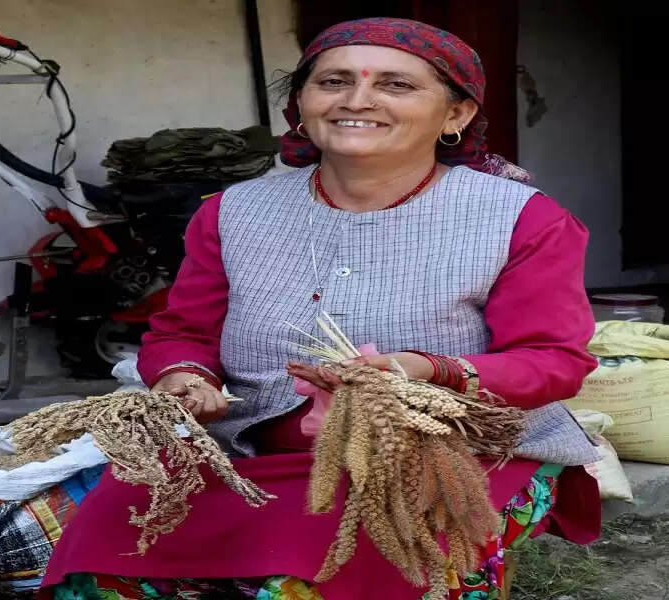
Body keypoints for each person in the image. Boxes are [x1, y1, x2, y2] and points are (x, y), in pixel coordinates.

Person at [41, 17, 602, 600]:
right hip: (246, 452)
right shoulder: (233, 212)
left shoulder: (521, 218)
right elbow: (182, 332)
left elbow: (552, 360)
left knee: (326, 571)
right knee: (107, 546)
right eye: (332, 82)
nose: (358, 100)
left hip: (447, 453)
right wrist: (185, 376)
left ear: (456, 116)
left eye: (396, 85)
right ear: (301, 105)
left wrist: (423, 371)